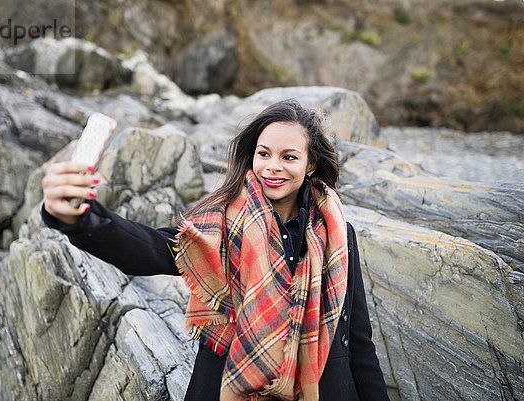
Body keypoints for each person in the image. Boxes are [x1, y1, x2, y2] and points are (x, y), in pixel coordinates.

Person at [41, 100, 390, 401]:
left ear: (310, 164)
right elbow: (151, 248)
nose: (273, 166)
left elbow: (358, 340)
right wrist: (79, 218)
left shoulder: (337, 234)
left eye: (289, 157)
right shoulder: (221, 224)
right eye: (264, 153)